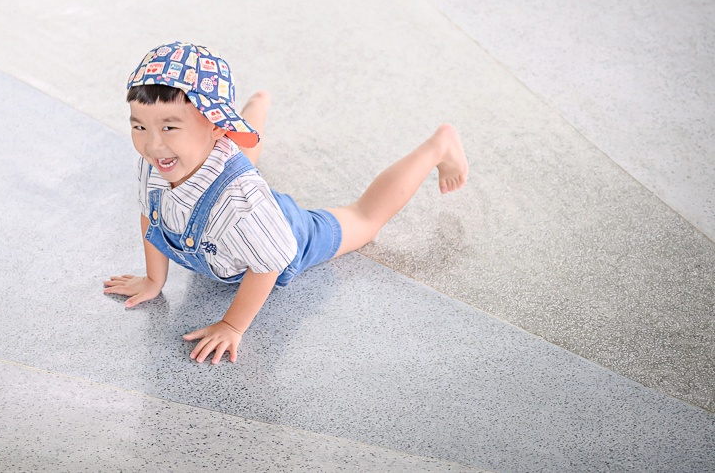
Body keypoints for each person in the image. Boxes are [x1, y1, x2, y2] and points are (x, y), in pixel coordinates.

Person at [104, 41, 468, 365]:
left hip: (283, 229)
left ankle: (438, 146)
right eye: (140, 127)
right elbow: (150, 215)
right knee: (231, 155)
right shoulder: (158, 164)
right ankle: (256, 107)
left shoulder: (243, 205)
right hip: (222, 183)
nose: (152, 144)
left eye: (169, 127)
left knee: (365, 219)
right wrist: (154, 280)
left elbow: (269, 265)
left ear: (217, 124)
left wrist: (232, 325)